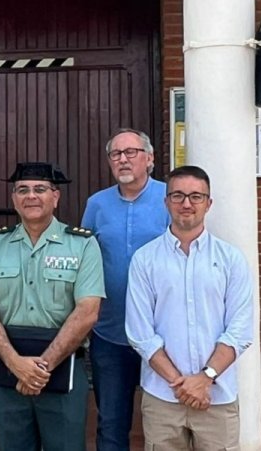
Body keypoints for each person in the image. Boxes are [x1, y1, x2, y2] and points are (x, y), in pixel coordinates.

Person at [0, 162, 105, 451]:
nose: (31, 196)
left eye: (40, 189)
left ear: (55, 197)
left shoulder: (82, 245)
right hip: (8, 369)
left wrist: (40, 368)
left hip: (63, 367)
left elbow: (87, 312)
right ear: (14, 199)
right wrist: (15, 363)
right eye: (23, 190)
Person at [125, 165, 254, 451]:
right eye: (178, 195)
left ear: (209, 203)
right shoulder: (145, 260)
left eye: (196, 196)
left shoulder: (231, 260)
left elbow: (239, 330)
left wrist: (205, 378)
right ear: (166, 201)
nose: (186, 203)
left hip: (217, 396)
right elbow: (140, 334)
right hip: (162, 397)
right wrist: (183, 386)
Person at [81, 129, 169, 451]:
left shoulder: (168, 199)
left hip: (162, 332)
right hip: (110, 332)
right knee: (112, 423)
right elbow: (85, 260)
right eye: (116, 154)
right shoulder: (97, 204)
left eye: (131, 152)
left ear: (150, 158)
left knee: (164, 422)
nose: (123, 159)